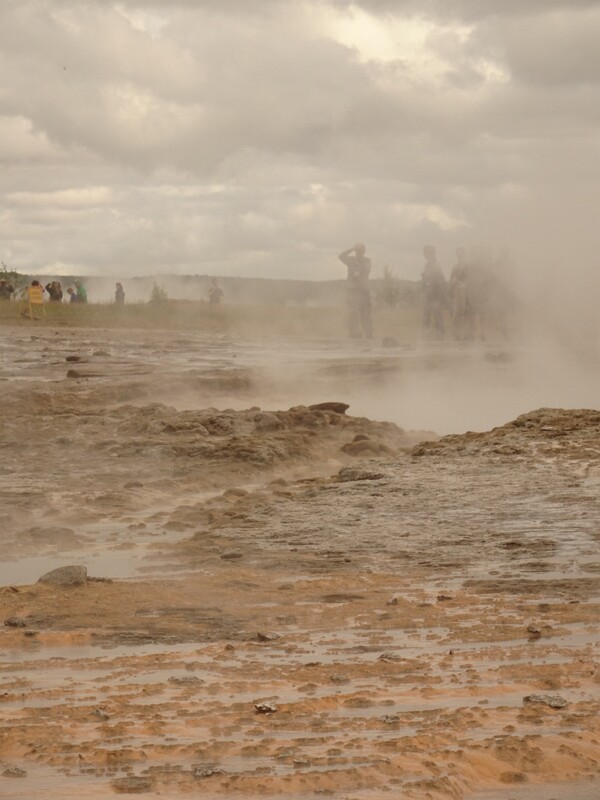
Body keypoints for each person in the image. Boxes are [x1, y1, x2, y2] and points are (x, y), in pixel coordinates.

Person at [338, 242, 373, 339]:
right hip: (353, 290)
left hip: (363, 291)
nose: (359, 253)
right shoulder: (351, 260)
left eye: (361, 251)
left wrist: (358, 268)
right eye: (357, 251)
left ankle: (368, 333)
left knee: (365, 313)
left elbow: (367, 270)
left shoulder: (367, 261)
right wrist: (351, 249)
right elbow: (341, 256)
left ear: (364, 252)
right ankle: (354, 333)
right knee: (353, 313)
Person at [421, 245, 447, 339]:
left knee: (437, 315)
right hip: (428, 294)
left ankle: (440, 335)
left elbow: (440, 280)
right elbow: (425, 280)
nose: (425, 254)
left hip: (435, 294)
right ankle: (425, 335)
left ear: (431, 253)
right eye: (425, 252)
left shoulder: (436, 265)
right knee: (426, 316)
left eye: (427, 252)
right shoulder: (427, 265)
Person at [448, 247, 469, 341]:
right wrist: (453, 281)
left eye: (461, 254)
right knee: (456, 313)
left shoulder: (468, 266)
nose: (459, 256)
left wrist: (465, 284)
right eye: (458, 254)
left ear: (464, 254)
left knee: (465, 313)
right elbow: (451, 279)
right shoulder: (455, 267)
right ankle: (456, 334)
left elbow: (471, 278)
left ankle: (466, 334)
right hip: (457, 291)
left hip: (466, 292)